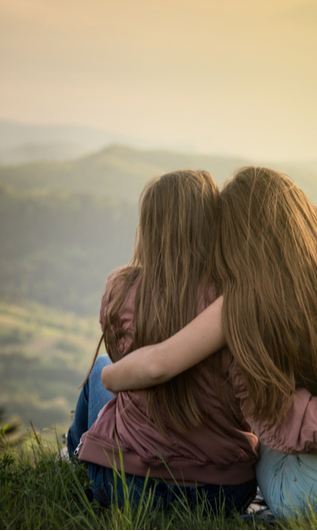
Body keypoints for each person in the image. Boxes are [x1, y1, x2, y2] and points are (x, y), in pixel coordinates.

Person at [102, 167, 317, 518]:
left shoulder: (246, 305)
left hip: (313, 498)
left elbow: (291, 427)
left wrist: (109, 377)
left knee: (268, 433)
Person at [66, 169, 260, 512]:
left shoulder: (121, 288)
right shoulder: (233, 298)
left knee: (101, 368)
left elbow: (121, 361)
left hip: (130, 485)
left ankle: (73, 455)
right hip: (223, 492)